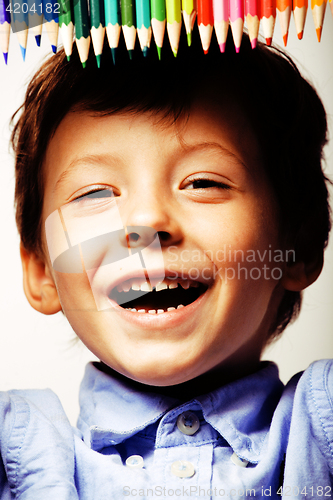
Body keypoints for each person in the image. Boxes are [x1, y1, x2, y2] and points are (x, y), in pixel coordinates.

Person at [1, 28, 331, 498]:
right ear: (41, 271)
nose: (146, 220)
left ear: (296, 247)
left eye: (203, 183)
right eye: (95, 193)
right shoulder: (14, 456)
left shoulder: (322, 437)